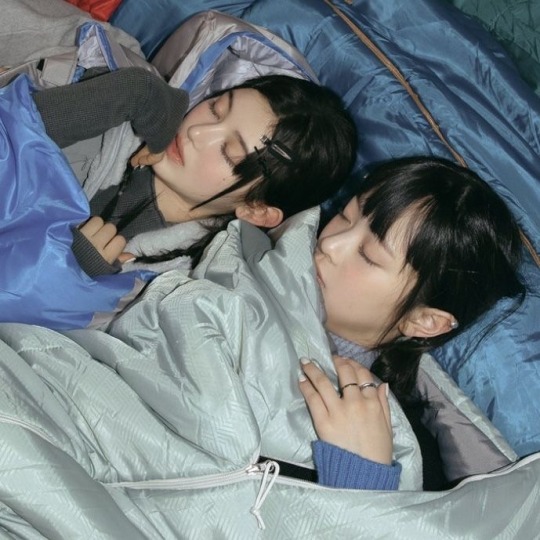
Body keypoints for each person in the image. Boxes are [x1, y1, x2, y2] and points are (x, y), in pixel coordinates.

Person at [296, 157, 525, 490]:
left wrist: (362, 478)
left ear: (424, 320)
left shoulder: (404, 450)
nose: (330, 243)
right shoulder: (257, 248)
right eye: (345, 216)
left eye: (368, 255)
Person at [33, 67, 357, 276]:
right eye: (216, 108)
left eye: (229, 152)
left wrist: (73, 275)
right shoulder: (122, 105)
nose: (198, 132)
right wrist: (130, 93)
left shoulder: (179, 281)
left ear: (256, 210)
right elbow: (16, 125)